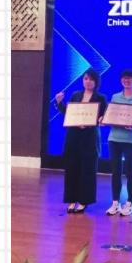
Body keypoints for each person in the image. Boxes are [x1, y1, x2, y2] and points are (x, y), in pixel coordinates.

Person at [54, 69, 107, 213]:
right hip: (73, 136)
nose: (88, 81)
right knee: (72, 168)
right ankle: (71, 200)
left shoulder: (100, 98)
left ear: (96, 81)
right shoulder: (76, 95)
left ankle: (84, 201)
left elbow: (104, 116)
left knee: (87, 169)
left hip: (90, 137)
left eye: (91, 79)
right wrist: (59, 102)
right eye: (85, 79)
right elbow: (68, 113)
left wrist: (101, 119)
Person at [104, 69, 132, 217]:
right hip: (114, 138)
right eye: (124, 78)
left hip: (130, 140)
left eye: (129, 78)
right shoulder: (115, 97)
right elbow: (111, 114)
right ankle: (115, 203)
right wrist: (105, 119)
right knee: (115, 172)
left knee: (130, 172)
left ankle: (129, 203)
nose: (126, 81)